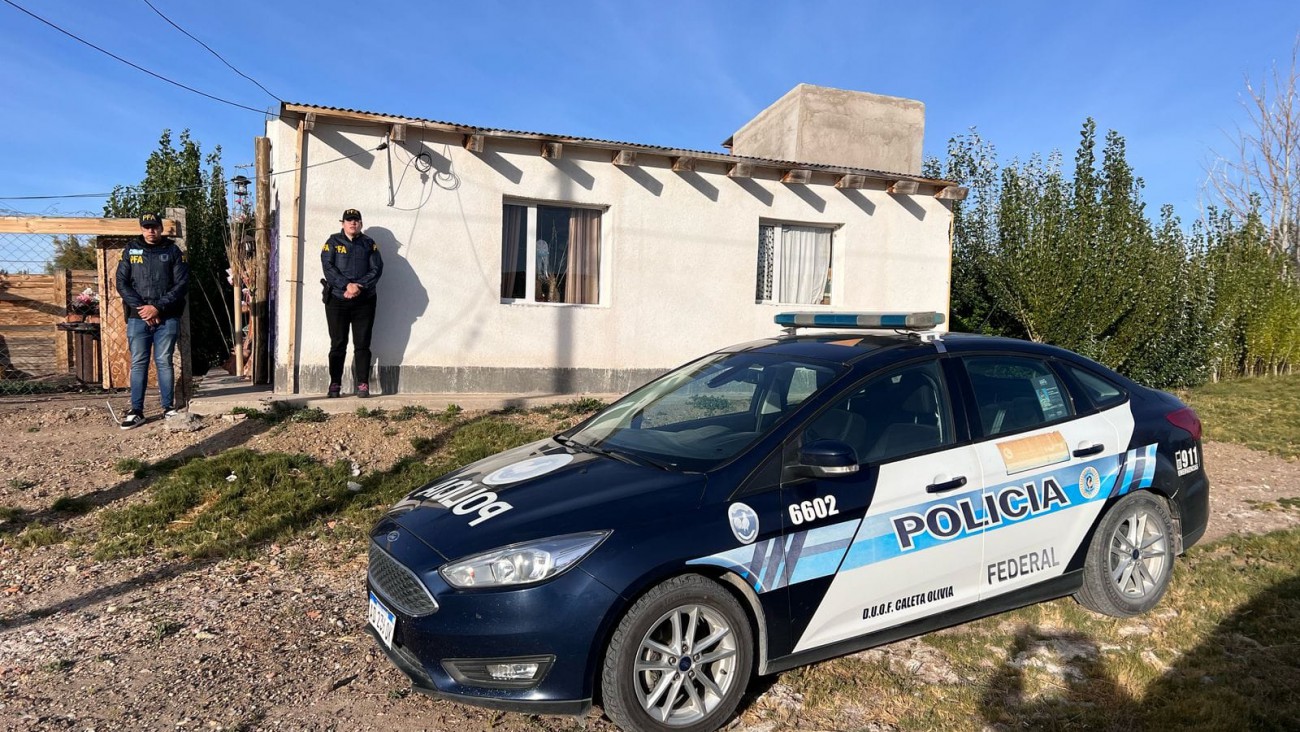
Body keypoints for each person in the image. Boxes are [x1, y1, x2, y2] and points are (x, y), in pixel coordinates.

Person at [115, 212, 190, 429]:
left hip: (167, 317)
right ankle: (136, 411)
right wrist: (143, 310)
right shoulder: (130, 250)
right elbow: (122, 283)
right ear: (141, 229)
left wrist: (157, 308)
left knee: (164, 361)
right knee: (139, 363)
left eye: (154, 227)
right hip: (138, 318)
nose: (151, 231)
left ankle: (169, 408)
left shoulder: (173, 250)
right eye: (146, 227)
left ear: (160, 228)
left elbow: (181, 284)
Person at [321, 208, 383, 397]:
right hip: (337, 300)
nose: (352, 223)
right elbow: (328, 267)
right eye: (349, 220)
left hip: (364, 301)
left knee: (362, 344)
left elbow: (377, 269)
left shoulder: (369, 244)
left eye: (356, 220)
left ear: (361, 223)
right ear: (343, 223)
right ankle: (335, 384)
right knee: (338, 343)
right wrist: (346, 285)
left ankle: (363, 384)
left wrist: (358, 286)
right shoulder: (332, 242)